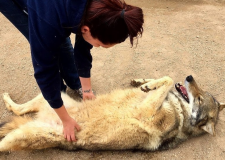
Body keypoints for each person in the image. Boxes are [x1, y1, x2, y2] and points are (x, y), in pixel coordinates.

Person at [0, 0, 144, 142]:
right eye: (99, 45)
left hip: (56, 10)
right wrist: (65, 119)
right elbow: (44, 72)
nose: (98, 46)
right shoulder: (48, 22)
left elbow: (83, 47)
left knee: (59, 39)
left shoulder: (99, 10)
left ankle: (74, 84)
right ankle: (58, 97)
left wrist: (87, 89)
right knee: (50, 43)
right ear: (86, 29)